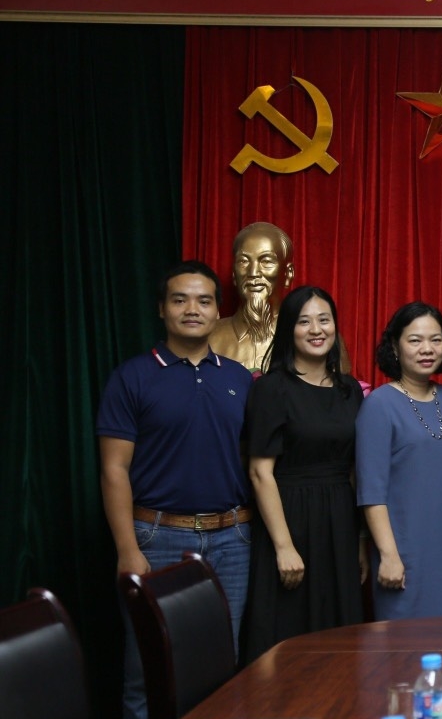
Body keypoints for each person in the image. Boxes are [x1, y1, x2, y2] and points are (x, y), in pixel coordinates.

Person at [97, 260, 254, 718]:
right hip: (157, 537)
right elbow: (113, 469)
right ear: (162, 309)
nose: (192, 309)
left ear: (217, 311)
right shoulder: (132, 377)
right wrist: (127, 549)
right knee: (147, 670)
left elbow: (255, 462)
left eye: (204, 301)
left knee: (221, 666)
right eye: (180, 300)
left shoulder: (239, 379)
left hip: (233, 539)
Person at [240, 286, 364, 663]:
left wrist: (360, 541)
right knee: (286, 632)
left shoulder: (350, 390)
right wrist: (283, 546)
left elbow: (356, 468)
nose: (316, 329)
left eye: (324, 320)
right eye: (304, 321)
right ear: (289, 329)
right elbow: (260, 472)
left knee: (339, 635)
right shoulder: (272, 389)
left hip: (339, 518)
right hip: (289, 516)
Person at [356, 302, 442, 619]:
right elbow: (371, 491)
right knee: (403, 642)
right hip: (404, 551)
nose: (427, 349)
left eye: (435, 339)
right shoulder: (379, 405)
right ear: (395, 346)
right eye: (415, 340)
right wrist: (388, 555)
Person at [209, 222, 295, 372]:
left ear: (288, 274)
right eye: (243, 261)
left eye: (266, 261)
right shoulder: (207, 337)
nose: (253, 272)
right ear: (234, 274)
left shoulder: (313, 338)